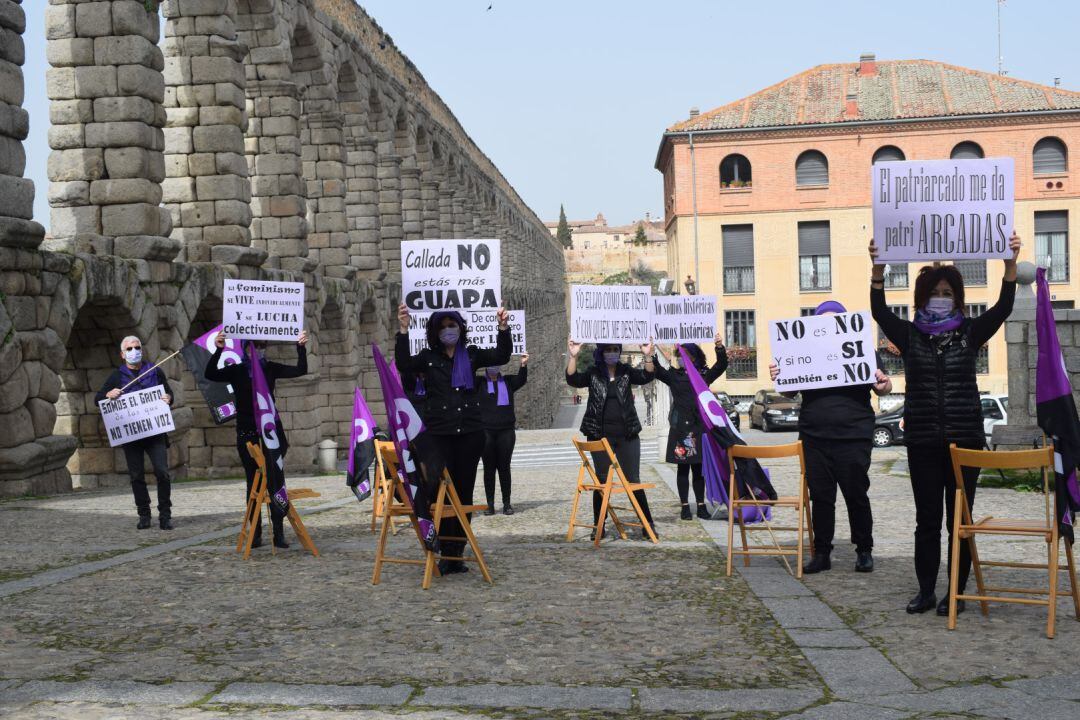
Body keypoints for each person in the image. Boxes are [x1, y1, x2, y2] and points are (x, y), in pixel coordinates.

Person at [870, 232, 1021, 615]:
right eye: (935, 291)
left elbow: (1003, 307)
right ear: (922, 298)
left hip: (964, 441)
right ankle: (925, 591)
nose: (942, 297)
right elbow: (879, 311)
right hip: (921, 440)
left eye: (947, 291)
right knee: (926, 522)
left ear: (957, 296)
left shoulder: (970, 333)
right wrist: (878, 270)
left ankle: (956, 591)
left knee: (960, 522)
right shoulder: (908, 335)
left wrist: (1009, 263)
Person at [769, 302, 892, 575]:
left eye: (834, 320)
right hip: (814, 435)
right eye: (822, 322)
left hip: (853, 435)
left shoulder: (862, 349)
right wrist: (781, 378)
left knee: (856, 494)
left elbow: (883, 386)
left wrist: (885, 384)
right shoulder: (804, 352)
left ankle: (864, 550)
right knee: (821, 497)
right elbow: (789, 393)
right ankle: (821, 552)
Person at [395, 305, 512, 574]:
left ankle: (458, 551)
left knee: (463, 493)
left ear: (460, 328)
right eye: (444, 326)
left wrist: (503, 328)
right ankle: (445, 549)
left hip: (470, 434)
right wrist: (403, 330)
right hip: (440, 435)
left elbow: (502, 355)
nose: (449, 330)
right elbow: (403, 364)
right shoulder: (428, 357)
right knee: (442, 494)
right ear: (436, 332)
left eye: (453, 325)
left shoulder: (471, 356)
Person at [205, 330, 309, 549]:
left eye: (263, 345)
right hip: (247, 432)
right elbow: (211, 374)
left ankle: (278, 533)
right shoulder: (237, 370)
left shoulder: (270, 368)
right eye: (255, 345)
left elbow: (301, 369)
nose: (259, 349)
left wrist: (300, 347)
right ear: (245, 348)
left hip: (270, 431)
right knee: (253, 482)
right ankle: (256, 533)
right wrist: (219, 349)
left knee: (275, 480)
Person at [565, 337, 657, 539]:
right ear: (602, 352)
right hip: (600, 436)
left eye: (616, 349)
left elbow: (647, 376)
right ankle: (599, 524)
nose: (612, 353)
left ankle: (646, 523)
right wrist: (573, 356)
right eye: (608, 350)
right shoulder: (593, 373)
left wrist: (647, 354)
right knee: (602, 481)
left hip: (627, 435)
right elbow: (573, 379)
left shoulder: (626, 372)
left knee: (633, 479)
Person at [95, 335, 174, 530]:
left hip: (155, 433)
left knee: (162, 472)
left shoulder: (155, 371)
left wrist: (168, 398)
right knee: (136, 475)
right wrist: (108, 394)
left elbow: (170, 394)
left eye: (136, 347)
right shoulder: (116, 376)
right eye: (129, 349)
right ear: (123, 354)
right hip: (132, 436)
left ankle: (165, 514)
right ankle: (144, 514)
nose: (134, 351)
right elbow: (97, 399)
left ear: (142, 349)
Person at [654, 334, 728, 521]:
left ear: (693, 357)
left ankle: (701, 505)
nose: (680, 358)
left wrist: (719, 347)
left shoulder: (703, 376)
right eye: (679, 355)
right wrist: (649, 353)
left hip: (699, 428)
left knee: (698, 469)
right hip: (680, 428)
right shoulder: (674, 376)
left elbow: (721, 366)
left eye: (684, 355)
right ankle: (685, 506)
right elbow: (656, 371)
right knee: (682, 469)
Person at [478, 353, 529, 516]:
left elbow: (521, 379)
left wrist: (523, 364)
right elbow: (466, 377)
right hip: (485, 431)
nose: (494, 367)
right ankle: (490, 504)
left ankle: (507, 503)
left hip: (505, 431)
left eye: (496, 364)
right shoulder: (479, 383)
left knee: (504, 468)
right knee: (488, 469)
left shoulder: (507, 381)